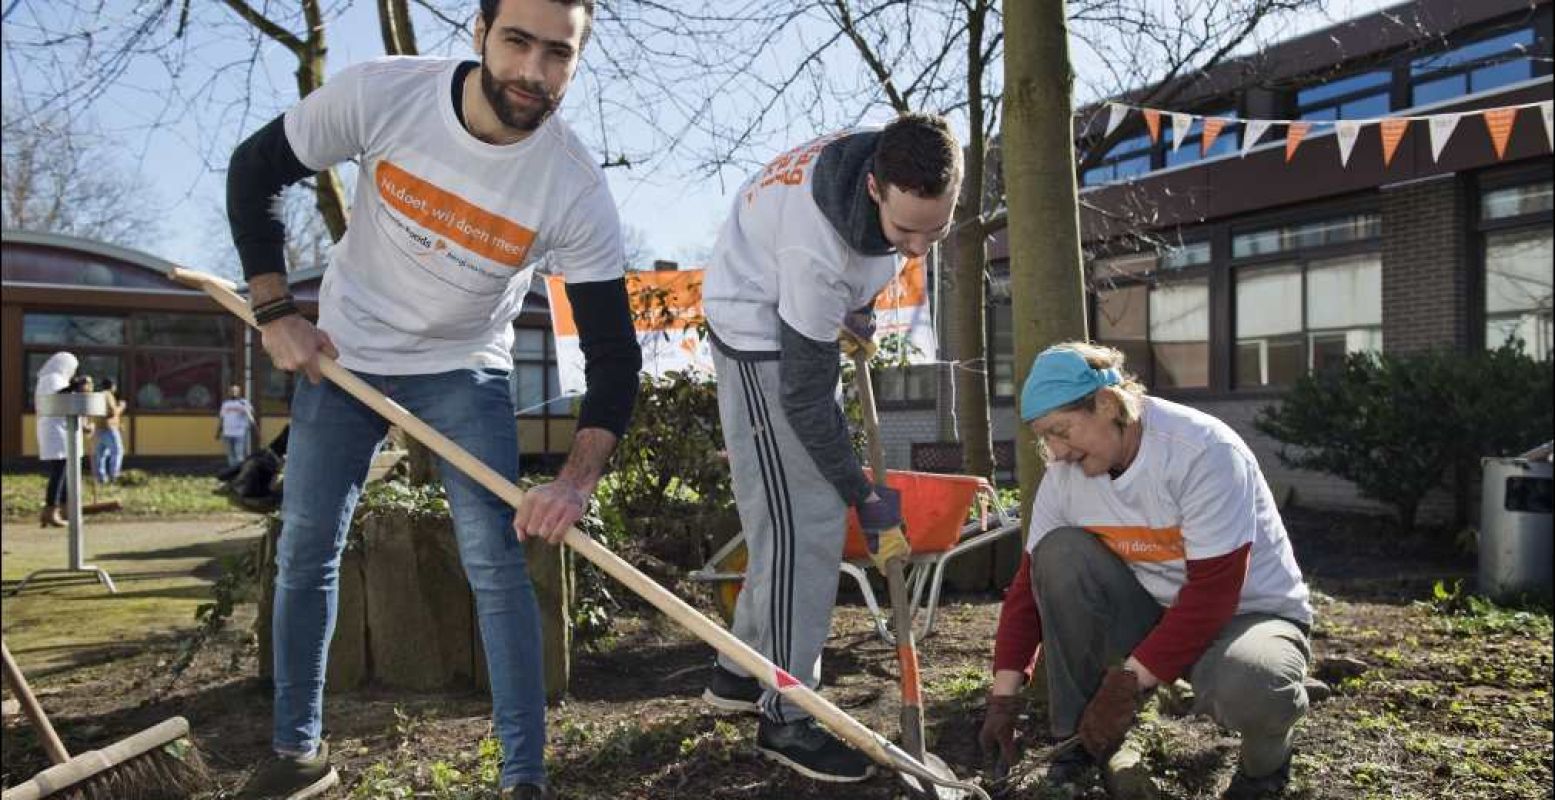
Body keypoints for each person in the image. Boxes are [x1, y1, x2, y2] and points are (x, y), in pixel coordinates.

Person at [224, 0, 639, 797]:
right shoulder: (382, 94)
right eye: (516, 42)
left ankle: (524, 779)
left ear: (575, 63)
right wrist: (275, 311)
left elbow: (613, 354)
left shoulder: (572, 187)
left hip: (462, 367)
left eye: (558, 54)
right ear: (479, 35)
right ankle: (296, 754)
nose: (533, 72)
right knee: (308, 547)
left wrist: (574, 482)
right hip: (344, 354)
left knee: (495, 562)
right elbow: (255, 168)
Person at [697, 113, 963, 783]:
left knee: (784, 522)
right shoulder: (814, 253)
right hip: (754, 327)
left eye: (938, 229)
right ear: (873, 188)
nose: (918, 250)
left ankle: (738, 673)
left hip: (793, 300)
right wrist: (860, 492)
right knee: (805, 523)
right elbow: (804, 399)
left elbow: (868, 265)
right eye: (906, 232)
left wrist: (859, 309)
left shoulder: (892, 157)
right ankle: (787, 717)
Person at [977, 343, 1314, 797]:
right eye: (1045, 437)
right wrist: (1003, 699)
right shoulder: (1064, 479)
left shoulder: (1201, 451)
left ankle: (1265, 769)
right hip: (1152, 611)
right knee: (1059, 555)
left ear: (1106, 404)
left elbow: (1214, 592)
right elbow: (1027, 594)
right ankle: (1076, 747)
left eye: (1061, 430)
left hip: (1245, 616)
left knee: (1255, 686)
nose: (1056, 452)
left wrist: (1125, 686)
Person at [34, 352, 80, 527]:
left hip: (62, 428)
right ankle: (50, 509)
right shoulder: (51, 378)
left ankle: (64, 508)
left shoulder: (59, 378)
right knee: (59, 471)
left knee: (65, 470)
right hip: (54, 430)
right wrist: (72, 388)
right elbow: (56, 398)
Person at [93, 377, 128, 485]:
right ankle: (114, 475)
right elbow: (112, 412)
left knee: (101, 454)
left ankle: (101, 477)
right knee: (117, 451)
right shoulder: (108, 395)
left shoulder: (98, 395)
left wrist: (118, 424)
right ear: (112, 386)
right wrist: (121, 407)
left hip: (99, 428)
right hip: (109, 429)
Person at [218, 384, 257, 468]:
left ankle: (240, 471)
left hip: (240, 433)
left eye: (235, 391)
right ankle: (233, 471)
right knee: (230, 455)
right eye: (232, 391)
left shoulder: (244, 402)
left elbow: (251, 415)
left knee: (239, 454)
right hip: (227, 433)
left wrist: (245, 408)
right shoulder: (226, 404)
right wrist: (218, 431)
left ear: (239, 392)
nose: (233, 393)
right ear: (229, 392)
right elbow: (222, 418)